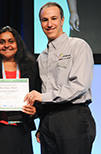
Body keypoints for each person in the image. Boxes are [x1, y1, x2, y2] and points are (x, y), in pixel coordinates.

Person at [24, 2, 96, 154]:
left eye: (54, 18)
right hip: (49, 120)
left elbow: (79, 85)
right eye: (45, 20)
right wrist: (43, 123)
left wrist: (43, 97)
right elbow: (44, 90)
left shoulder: (78, 46)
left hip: (73, 117)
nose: (49, 24)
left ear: (63, 20)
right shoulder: (41, 57)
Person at [0, 26, 41, 154]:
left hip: (20, 131)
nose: (6, 45)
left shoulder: (30, 68)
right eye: (2, 42)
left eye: (11, 41)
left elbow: (38, 99)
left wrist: (34, 111)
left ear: (17, 44)